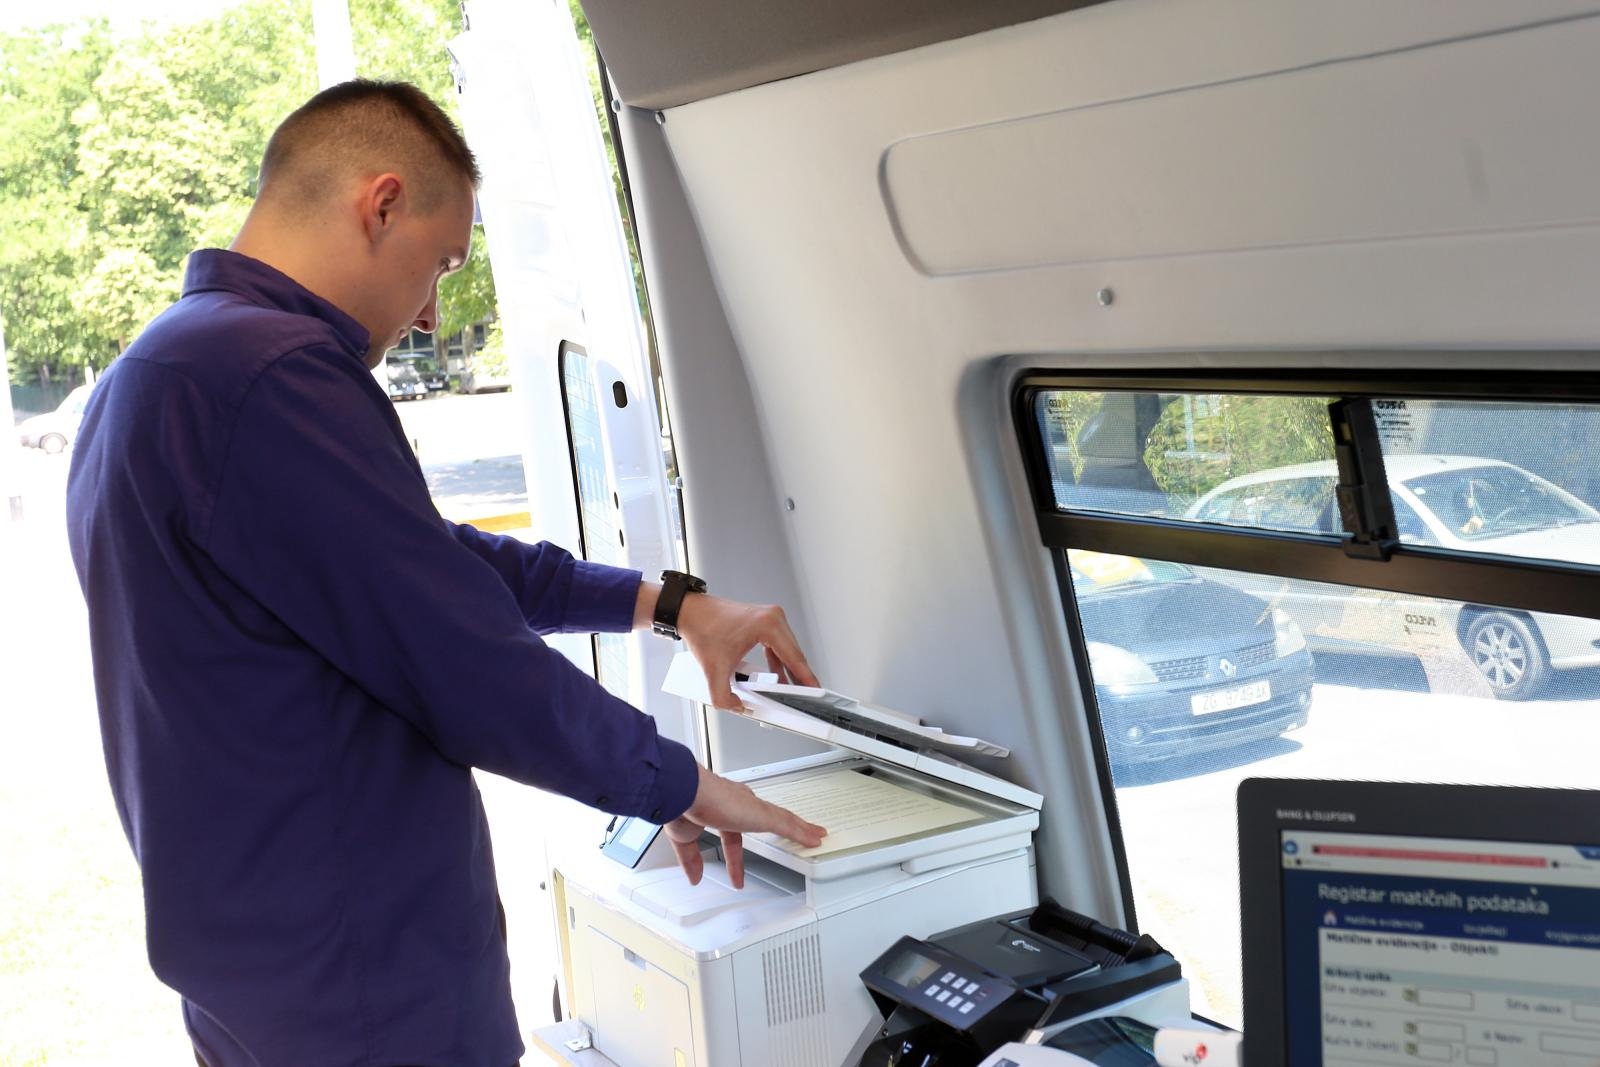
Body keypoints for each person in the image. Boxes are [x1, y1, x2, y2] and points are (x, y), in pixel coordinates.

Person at [65, 79, 824, 1067]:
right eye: (441, 265)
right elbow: (460, 651)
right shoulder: (274, 374)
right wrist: (674, 779)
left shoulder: (159, 372)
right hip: (367, 992)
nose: (429, 315)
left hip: (259, 972)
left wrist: (667, 604)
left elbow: (425, 562)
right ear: (382, 205)